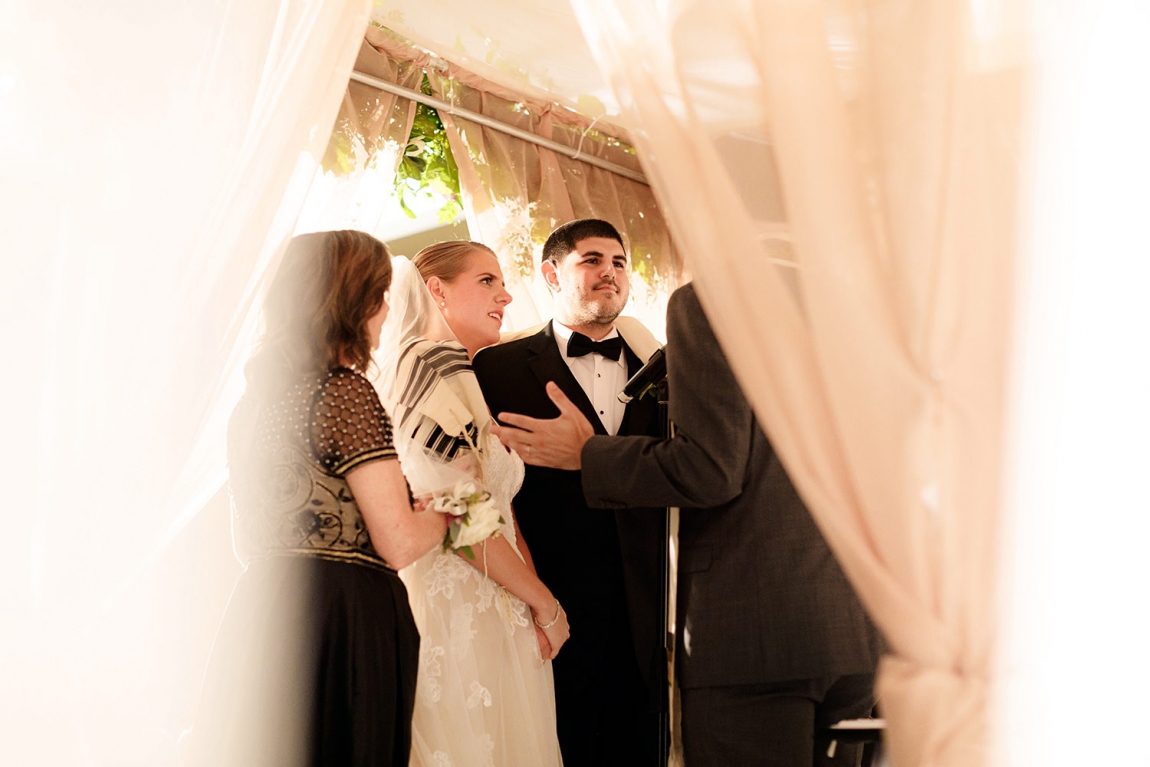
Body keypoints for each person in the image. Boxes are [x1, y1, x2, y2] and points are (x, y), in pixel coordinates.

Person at [492, 282, 885, 767]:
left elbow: (710, 469)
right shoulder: (866, 297)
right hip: (857, 626)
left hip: (755, 632)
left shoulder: (716, 300)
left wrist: (588, 454)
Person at [190, 230, 448, 767]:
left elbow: (244, 543)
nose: (386, 311)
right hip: (343, 618)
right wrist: (450, 509)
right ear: (354, 302)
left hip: (261, 608)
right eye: (379, 295)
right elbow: (399, 542)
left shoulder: (249, 409)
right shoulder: (343, 391)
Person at [471, 220, 666, 767]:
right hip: (548, 601)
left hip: (648, 608)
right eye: (592, 260)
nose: (610, 272)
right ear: (552, 274)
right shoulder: (496, 368)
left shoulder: (666, 370)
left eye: (619, 262)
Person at [374, 241, 569, 767]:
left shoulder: (441, 369)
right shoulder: (434, 362)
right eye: (487, 281)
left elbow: (500, 509)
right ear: (435, 290)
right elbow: (462, 514)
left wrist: (532, 601)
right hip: (465, 605)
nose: (506, 296)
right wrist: (546, 605)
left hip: (496, 597)